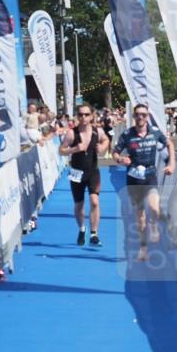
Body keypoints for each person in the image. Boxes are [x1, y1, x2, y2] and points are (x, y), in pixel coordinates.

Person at [113, 103, 175, 262]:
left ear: (147, 117)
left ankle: (154, 224)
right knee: (140, 218)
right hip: (133, 179)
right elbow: (115, 152)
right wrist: (120, 159)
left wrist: (171, 164)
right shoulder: (127, 134)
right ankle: (143, 248)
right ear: (134, 117)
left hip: (150, 176)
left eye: (144, 114)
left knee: (154, 207)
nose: (140, 117)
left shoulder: (155, 132)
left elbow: (170, 144)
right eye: (138, 114)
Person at [59, 103, 109, 246]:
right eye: (80, 114)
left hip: (93, 171)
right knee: (79, 205)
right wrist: (74, 149)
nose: (83, 117)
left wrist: (103, 147)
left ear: (92, 116)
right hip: (76, 172)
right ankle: (82, 229)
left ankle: (94, 234)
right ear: (77, 116)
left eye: (86, 114)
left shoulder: (97, 131)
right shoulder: (71, 133)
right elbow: (61, 150)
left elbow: (106, 140)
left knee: (94, 201)